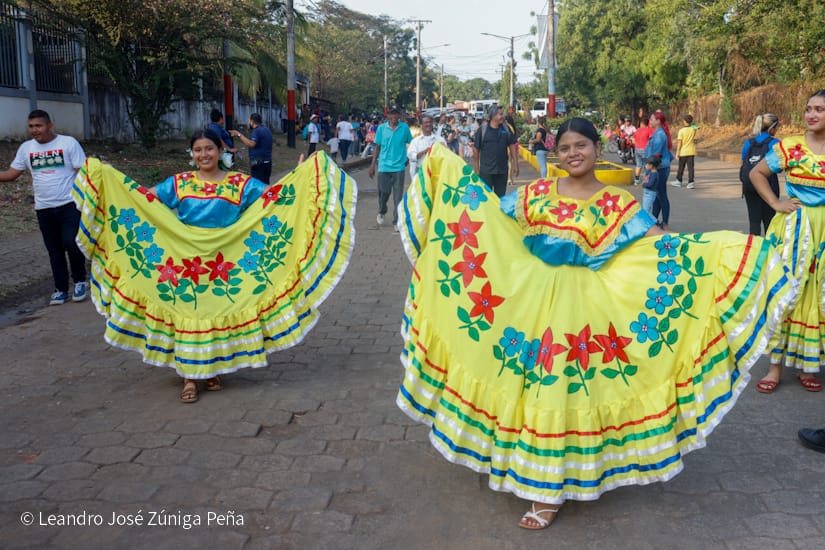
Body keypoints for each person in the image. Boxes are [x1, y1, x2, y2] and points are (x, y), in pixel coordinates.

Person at [394, 119, 796, 530]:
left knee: (567, 391)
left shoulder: (617, 202)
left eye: (581, 145)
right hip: (528, 306)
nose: (572, 154)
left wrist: (712, 252)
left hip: (588, 309)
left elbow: (654, 239)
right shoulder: (535, 192)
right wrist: (447, 169)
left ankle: (550, 486)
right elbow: (492, 223)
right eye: (565, 147)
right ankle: (538, 478)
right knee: (532, 386)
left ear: (596, 147)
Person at [72, 129, 357, 403]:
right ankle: (188, 378)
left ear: (221, 151)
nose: (204, 154)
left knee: (219, 311)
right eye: (198, 150)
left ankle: (212, 369)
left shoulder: (239, 183)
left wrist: (300, 175)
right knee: (187, 312)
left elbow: (277, 197)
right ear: (192, 153)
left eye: (209, 148)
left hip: (226, 261)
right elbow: (143, 199)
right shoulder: (179, 182)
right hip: (184, 261)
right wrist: (111, 182)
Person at [749, 90, 825, 394]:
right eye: (808, 108)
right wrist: (775, 202)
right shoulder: (789, 147)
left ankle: (809, 365)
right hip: (794, 229)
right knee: (785, 291)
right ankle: (775, 367)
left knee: (816, 296)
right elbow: (757, 173)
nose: (812, 114)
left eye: (819, 109)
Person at [0, 109, 88, 305]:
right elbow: (12, 174)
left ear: (50, 126)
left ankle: (80, 280)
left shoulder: (68, 143)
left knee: (72, 243)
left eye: (38, 126)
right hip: (43, 208)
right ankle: (60, 289)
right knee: (54, 249)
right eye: (31, 126)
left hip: (69, 204)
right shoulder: (26, 149)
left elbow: (84, 171)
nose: (34, 130)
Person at [369, 106, 412, 231]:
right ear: (388, 116)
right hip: (383, 166)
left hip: (399, 167)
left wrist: (408, 158)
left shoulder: (404, 128)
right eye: (391, 114)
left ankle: (396, 221)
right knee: (384, 192)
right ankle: (382, 210)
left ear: (400, 116)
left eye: (396, 114)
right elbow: (377, 147)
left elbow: (411, 143)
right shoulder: (382, 128)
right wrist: (372, 165)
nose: (394, 117)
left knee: (398, 196)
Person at [741, 113, 780, 236]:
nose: (777, 130)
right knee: (770, 222)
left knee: (754, 221)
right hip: (768, 186)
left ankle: (753, 250)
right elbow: (778, 167)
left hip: (750, 186)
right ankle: (769, 250)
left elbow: (744, 161)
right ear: (772, 127)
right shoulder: (775, 143)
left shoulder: (749, 142)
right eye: (777, 127)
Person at [474, 104, 518, 197]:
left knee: (500, 198)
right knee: (487, 198)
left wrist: (515, 164)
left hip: (502, 171)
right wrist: (477, 169)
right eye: (500, 114)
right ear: (493, 116)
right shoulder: (482, 130)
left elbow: (512, 147)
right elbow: (476, 150)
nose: (503, 116)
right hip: (486, 171)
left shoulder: (506, 130)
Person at [644, 111, 673, 229]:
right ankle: (654, 222)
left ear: (658, 121)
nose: (650, 122)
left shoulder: (660, 135)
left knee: (661, 195)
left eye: (652, 119)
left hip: (659, 169)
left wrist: (649, 171)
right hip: (657, 168)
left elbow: (656, 156)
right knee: (657, 196)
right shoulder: (657, 133)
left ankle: (665, 223)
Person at [230, 113, 273, 184]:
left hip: (258, 163)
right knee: (265, 184)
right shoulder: (267, 130)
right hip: (268, 162)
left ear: (252, 121)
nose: (248, 122)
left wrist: (239, 134)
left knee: (257, 185)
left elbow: (251, 144)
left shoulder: (256, 131)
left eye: (249, 120)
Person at [407, 114, 446, 180]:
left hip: (437, 174)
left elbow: (447, 155)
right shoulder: (415, 141)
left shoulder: (440, 140)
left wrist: (444, 148)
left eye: (430, 122)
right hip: (421, 173)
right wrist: (424, 152)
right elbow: (411, 156)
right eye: (426, 122)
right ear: (421, 125)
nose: (428, 124)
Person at [672, 114, 697, 189]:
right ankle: (691, 182)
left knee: (681, 167)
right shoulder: (693, 129)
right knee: (691, 168)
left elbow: (680, 143)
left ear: (684, 121)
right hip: (691, 151)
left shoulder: (681, 131)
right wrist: (692, 124)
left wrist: (677, 153)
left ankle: (679, 181)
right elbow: (695, 126)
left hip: (683, 152)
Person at [633, 118, 653, 185]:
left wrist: (636, 145)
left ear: (641, 123)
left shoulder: (637, 130)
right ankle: (646, 181)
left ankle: (636, 180)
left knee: (638, 165)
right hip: (645, 149)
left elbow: (633, 139)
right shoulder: (649, 130)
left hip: (637, 149)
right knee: (646, 165)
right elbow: (651, 140)